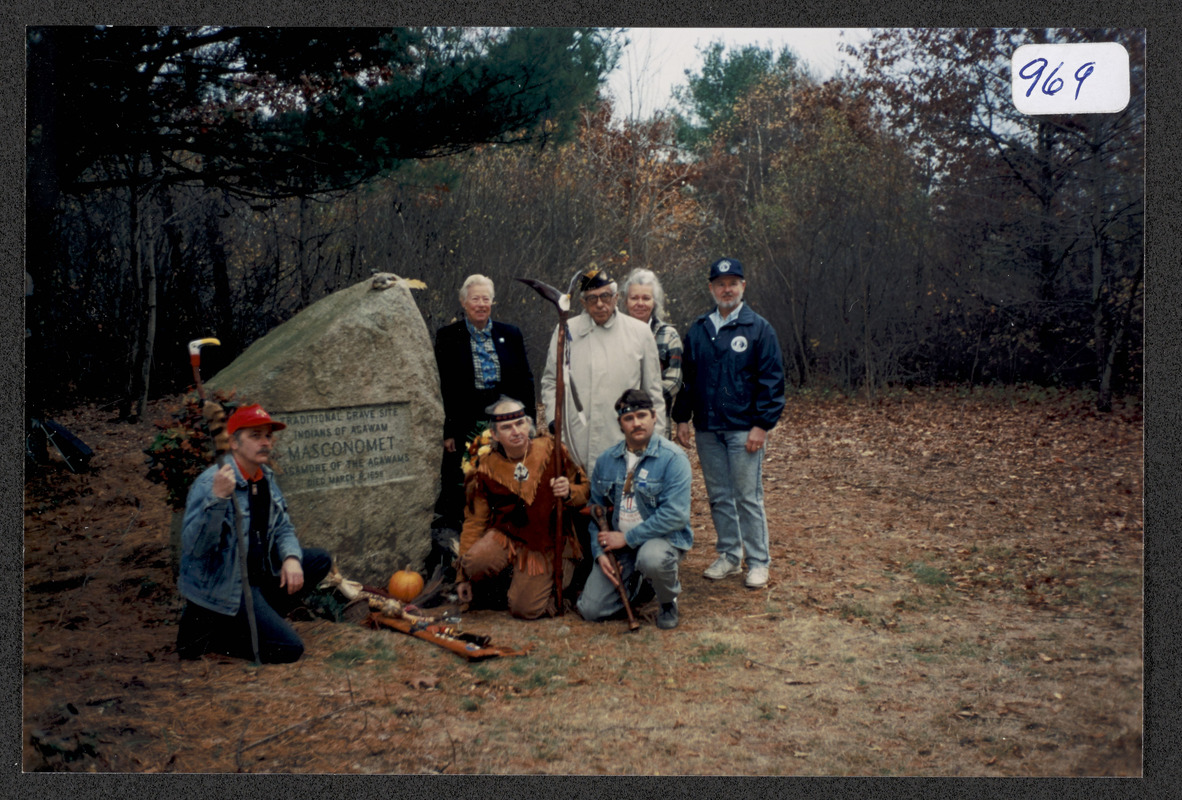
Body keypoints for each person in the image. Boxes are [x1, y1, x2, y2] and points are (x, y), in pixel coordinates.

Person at [177, 404, 333, 663]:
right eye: (255, 435)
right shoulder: (212, 483)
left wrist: (292, 558)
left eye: (268, 436)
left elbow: (283, 527)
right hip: (227, 586)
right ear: (234, 444)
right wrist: (217, 500)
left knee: (318, 561)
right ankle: (209, 636)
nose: (265, 442)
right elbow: (196, 549)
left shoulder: (264, 479)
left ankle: (257, 621)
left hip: (256, 576)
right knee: (290, 649)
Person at [672, 257, 786, 590]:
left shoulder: (759, 329)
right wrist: (682, 418)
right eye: (720, 284)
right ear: (711, 288)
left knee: (747, 497)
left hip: (743, 429)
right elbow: (688, 380)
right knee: (719, 496)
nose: (727, 289)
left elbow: (772, 381)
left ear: (743, 287)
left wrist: (762, 425)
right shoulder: (699, 329)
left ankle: (758, 561)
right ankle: (729, 555)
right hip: (708, 429)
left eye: (733, 283)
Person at [456, 396, 589, 619]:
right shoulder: (486, 467)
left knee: (524, 609)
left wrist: (568, 492)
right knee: (474, 562)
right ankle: (513, 577)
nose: (516, 431)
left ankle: (559, 587)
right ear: (495, 435)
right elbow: (475, 522)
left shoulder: (552, 450)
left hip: (545, 544)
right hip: (507, 538)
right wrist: (462, 576)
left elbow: (584, 490)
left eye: (520, 423)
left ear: (529, 425)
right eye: (506, 427)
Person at [578, 389, 693, 630]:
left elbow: (675, 514)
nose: (636, 423)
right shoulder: (606, 460)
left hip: (660, 540)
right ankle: (641, 585)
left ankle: (667, 600)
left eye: (642, 415)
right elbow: (595, 512)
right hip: (621, 547)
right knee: (591, 610)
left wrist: (627, 538)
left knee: (652, 558)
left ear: (654, 417)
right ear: (620, 424)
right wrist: (600, 552)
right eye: (628, 418)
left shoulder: (673, 458)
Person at [433, 275, 535, 531]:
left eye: (486, 299)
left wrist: (529, 422)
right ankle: (465, 529)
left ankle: (506, 524)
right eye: (475, 299)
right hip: (466, 414)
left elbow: (525, 379)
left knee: (506, 470)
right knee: (467, 475)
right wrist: (448, 430)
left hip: (505, 413)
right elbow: (443, 386)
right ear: (463, 302)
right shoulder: (448, 337)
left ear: (492, 302)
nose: (481, 304)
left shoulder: (509, 334)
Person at [540, 266, 665, 475]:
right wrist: (555, 421)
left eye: (605, 296)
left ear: (616, 298)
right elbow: (551, 381)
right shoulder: (566, 330)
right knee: (577, 500)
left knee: (619, 501)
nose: (599, 304)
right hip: (574, 438)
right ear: (582, 303)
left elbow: (653, 394)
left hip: (622, 437)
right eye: (592, 298)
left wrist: (656, 442)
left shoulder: (639, 333)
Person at [621, 267, 683, 435]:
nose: (640, 303)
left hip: (655, 421)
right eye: (634, 298)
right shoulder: (614, 334)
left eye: (646, 298)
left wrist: (639, 398)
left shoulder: (669, 335)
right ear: (625, 301)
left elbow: (674, 381)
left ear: (654, 302)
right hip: (617, 420)